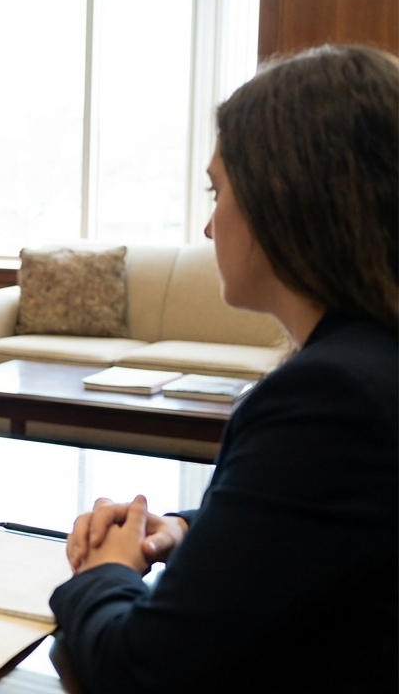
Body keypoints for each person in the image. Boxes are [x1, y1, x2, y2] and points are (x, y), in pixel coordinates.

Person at [51, 45, 398, 692]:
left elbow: (141, 669)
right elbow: (329, 522)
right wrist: (184, 529)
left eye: (218, 191)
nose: (209, 228)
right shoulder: (374, 361)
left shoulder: (331, 397)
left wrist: (102, 571)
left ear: (281, 196)